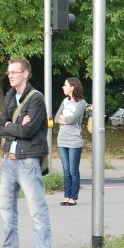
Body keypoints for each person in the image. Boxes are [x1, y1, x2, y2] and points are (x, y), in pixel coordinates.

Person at [0, 57, 53, 248]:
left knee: (37, 210)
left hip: (28, 161)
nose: (10, 75)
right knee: (6, 208)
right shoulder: (9, 95)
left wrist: (11, 126)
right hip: (9, 161)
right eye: (9, 73)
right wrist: (14, 125)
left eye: (14, 72)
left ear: (25, 73)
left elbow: (28, 131)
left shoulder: (36, 99)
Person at [55, 78, 88, 207]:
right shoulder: (65, 101)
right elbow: (57, 117)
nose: (63, 87)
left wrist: (65, 119)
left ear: (72, 87)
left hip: (74, 140)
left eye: (65, 85)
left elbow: (73, 120)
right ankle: (66, 196)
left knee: (73, 171)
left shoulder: (82, 103)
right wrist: (64, 119)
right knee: (66, 170)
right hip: (62, 139)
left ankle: (73, 197)